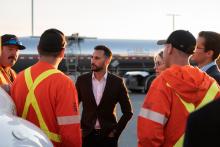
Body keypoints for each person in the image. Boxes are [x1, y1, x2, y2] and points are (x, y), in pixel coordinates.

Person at [137, 30, 220, 147]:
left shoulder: (162, 82)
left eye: (165, 47)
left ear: (169, 48)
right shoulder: (211, 83)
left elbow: (149, 135)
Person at [10, 29, 81, 147]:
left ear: (38, 49)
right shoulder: (64, 83)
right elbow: (70, 133)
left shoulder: (19, 78)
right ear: (62, 52)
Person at [76, 45, 133, 147]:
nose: (92, 61)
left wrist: (115, 132)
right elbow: (73, 106)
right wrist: (77, 129)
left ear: (107, 61)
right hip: (86, 136)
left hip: (108, 138)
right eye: (92, 57)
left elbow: (128, 112)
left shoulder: (117, 82)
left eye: (97, 58)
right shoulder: (82, 80)